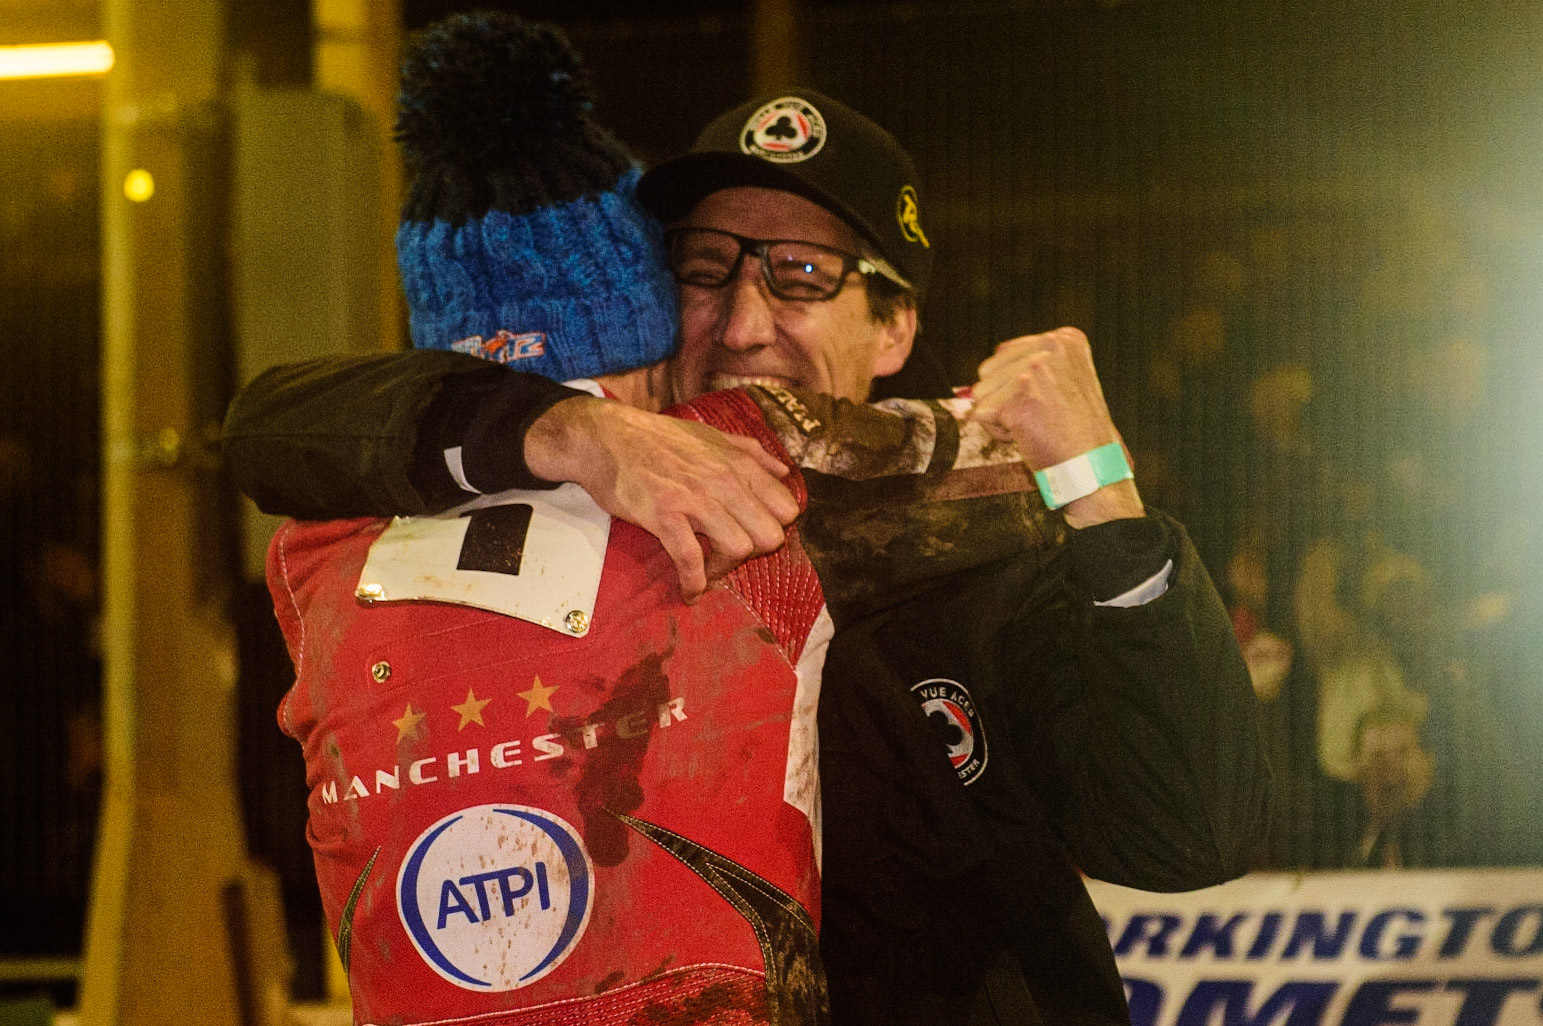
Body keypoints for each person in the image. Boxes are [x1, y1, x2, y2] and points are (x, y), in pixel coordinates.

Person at [227, 15, 1269, 1024]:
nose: (742, 320)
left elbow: (1186, 835)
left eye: (803, 276)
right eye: (703, 268)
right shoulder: (587, 514)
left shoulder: (990, 547)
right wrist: (563, 431)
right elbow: (270, 428)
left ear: (896, 322)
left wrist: (1100, 490)